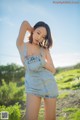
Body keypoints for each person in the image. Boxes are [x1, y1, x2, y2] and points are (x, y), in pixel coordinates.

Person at [16, 20, 58, 120]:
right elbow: (24, 24)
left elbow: (53, 70)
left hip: (49, 85)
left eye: (43, 37)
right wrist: (33, 30)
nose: (39, 37)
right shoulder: (21, 45)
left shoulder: (44, 49)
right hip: (32, 87)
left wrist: (42, 62)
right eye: (38, 33)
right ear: (33, 30)